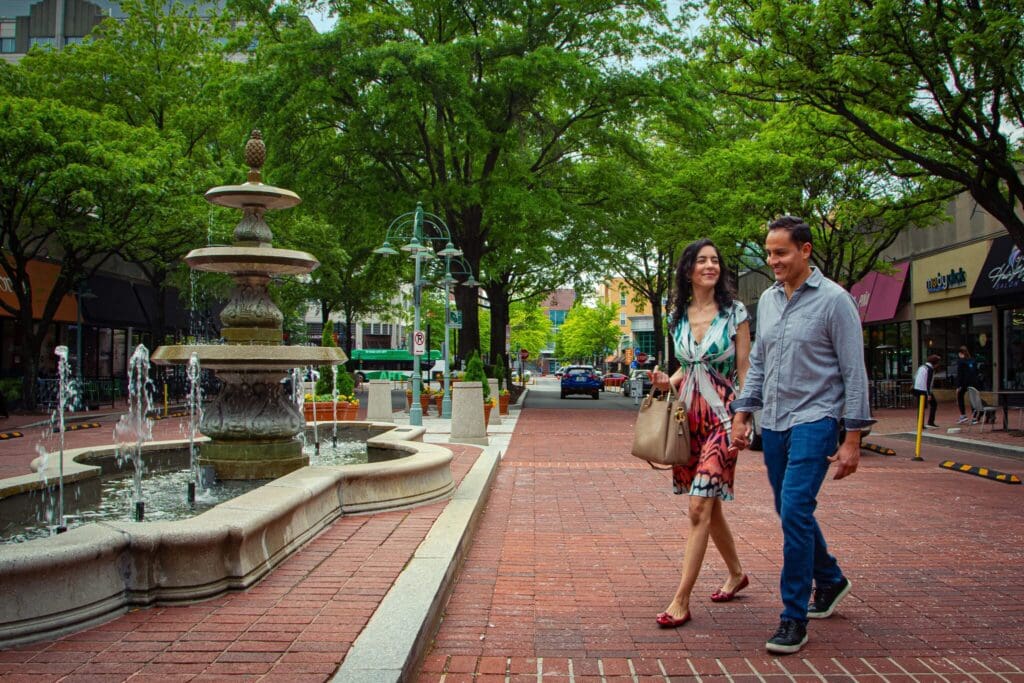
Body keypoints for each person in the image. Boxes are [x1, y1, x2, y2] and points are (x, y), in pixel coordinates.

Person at [729, 216, 873, 655]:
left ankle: (793, 618)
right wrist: (743, 412)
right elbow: (759, 364)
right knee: (789, 510)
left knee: (794, 510)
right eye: (769, 253)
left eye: (781, 252)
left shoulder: (835, 301)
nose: (773, 260)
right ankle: (829, 578)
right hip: (773, 422)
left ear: (805, 251)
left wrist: (853, 439)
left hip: (817, 418)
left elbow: (854, 372)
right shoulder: (769, 302)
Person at [650, 238, 751, 629]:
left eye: (715, 261)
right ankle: (737, 573)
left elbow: (745, 371)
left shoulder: (735, 313)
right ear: (688, 269)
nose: (711, 266)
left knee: (698, 506)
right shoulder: (676, 316)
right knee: (709, 503)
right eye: (702, 260)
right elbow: (684, 369)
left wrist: (745, 417)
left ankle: (681, 599)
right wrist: (664, 382)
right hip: (686, 421)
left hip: (724, 419)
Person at [913, 354, 941, 429]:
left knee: (921, 407)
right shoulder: (930, 369)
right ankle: (930, 422)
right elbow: (928, 382)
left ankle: (921, 424)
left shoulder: (922, 367)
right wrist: (929, 394)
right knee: (933, 404)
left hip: (917, 388)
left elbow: (915, 377)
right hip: (924, 389)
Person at [955, 346, 978, 424]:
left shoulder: (961, 362)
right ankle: (974, 417)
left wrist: (958, 386)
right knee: (973, 399)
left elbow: (960, 374)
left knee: (960, 397)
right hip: (973, 382)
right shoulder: (973, 361)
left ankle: (963, 415)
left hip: (963, 383)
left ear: (960, 353)